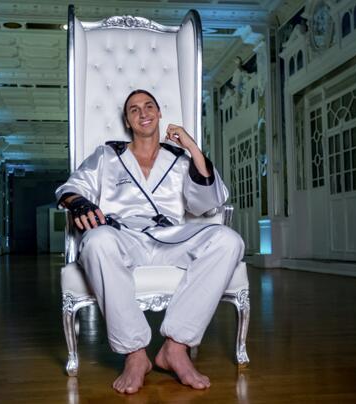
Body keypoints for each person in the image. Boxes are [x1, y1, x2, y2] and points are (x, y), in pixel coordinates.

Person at [56, 89, 244, 394]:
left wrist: (192, 147)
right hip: (122, 237)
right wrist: (79, 203)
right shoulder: (107, 155)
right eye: (134, 109)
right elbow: (71, 188)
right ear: (127, 121)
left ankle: (176, 348)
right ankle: (135, 354)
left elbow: (208, 203)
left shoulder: (179, 159)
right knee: (97, 241)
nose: (143, 113)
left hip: (170, 238)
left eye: (149, 106)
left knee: (228, 240)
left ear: (158, 113)